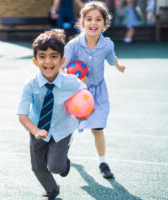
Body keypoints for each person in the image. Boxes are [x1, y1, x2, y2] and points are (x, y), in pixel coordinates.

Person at [17, 29, 88, 200]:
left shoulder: (72, 82)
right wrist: (35, 131)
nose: (48, 61)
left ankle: (63, 163)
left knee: (56, 167)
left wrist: (84, 113)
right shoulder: (30, 85)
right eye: (42, 56)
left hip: (62, 129)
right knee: (38, 167)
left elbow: (85, 98)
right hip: (37, 129)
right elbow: (22, 115)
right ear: (35, 61)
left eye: (54, 56)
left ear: (62, 60)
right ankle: (52, 190)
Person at [61, 1, 126, 179]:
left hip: (98, 92)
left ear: (104, 25)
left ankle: (102, 162)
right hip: (76, 94)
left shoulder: (106, 45)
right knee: (71, 126)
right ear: (82, 23)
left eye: (98, 19)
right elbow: (61, 67)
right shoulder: (73, 46)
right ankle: (64, 151)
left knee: (97, 129)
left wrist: (119, 66)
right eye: (89, 19)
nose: (93, 23)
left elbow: (112, 58)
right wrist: (71, 79)